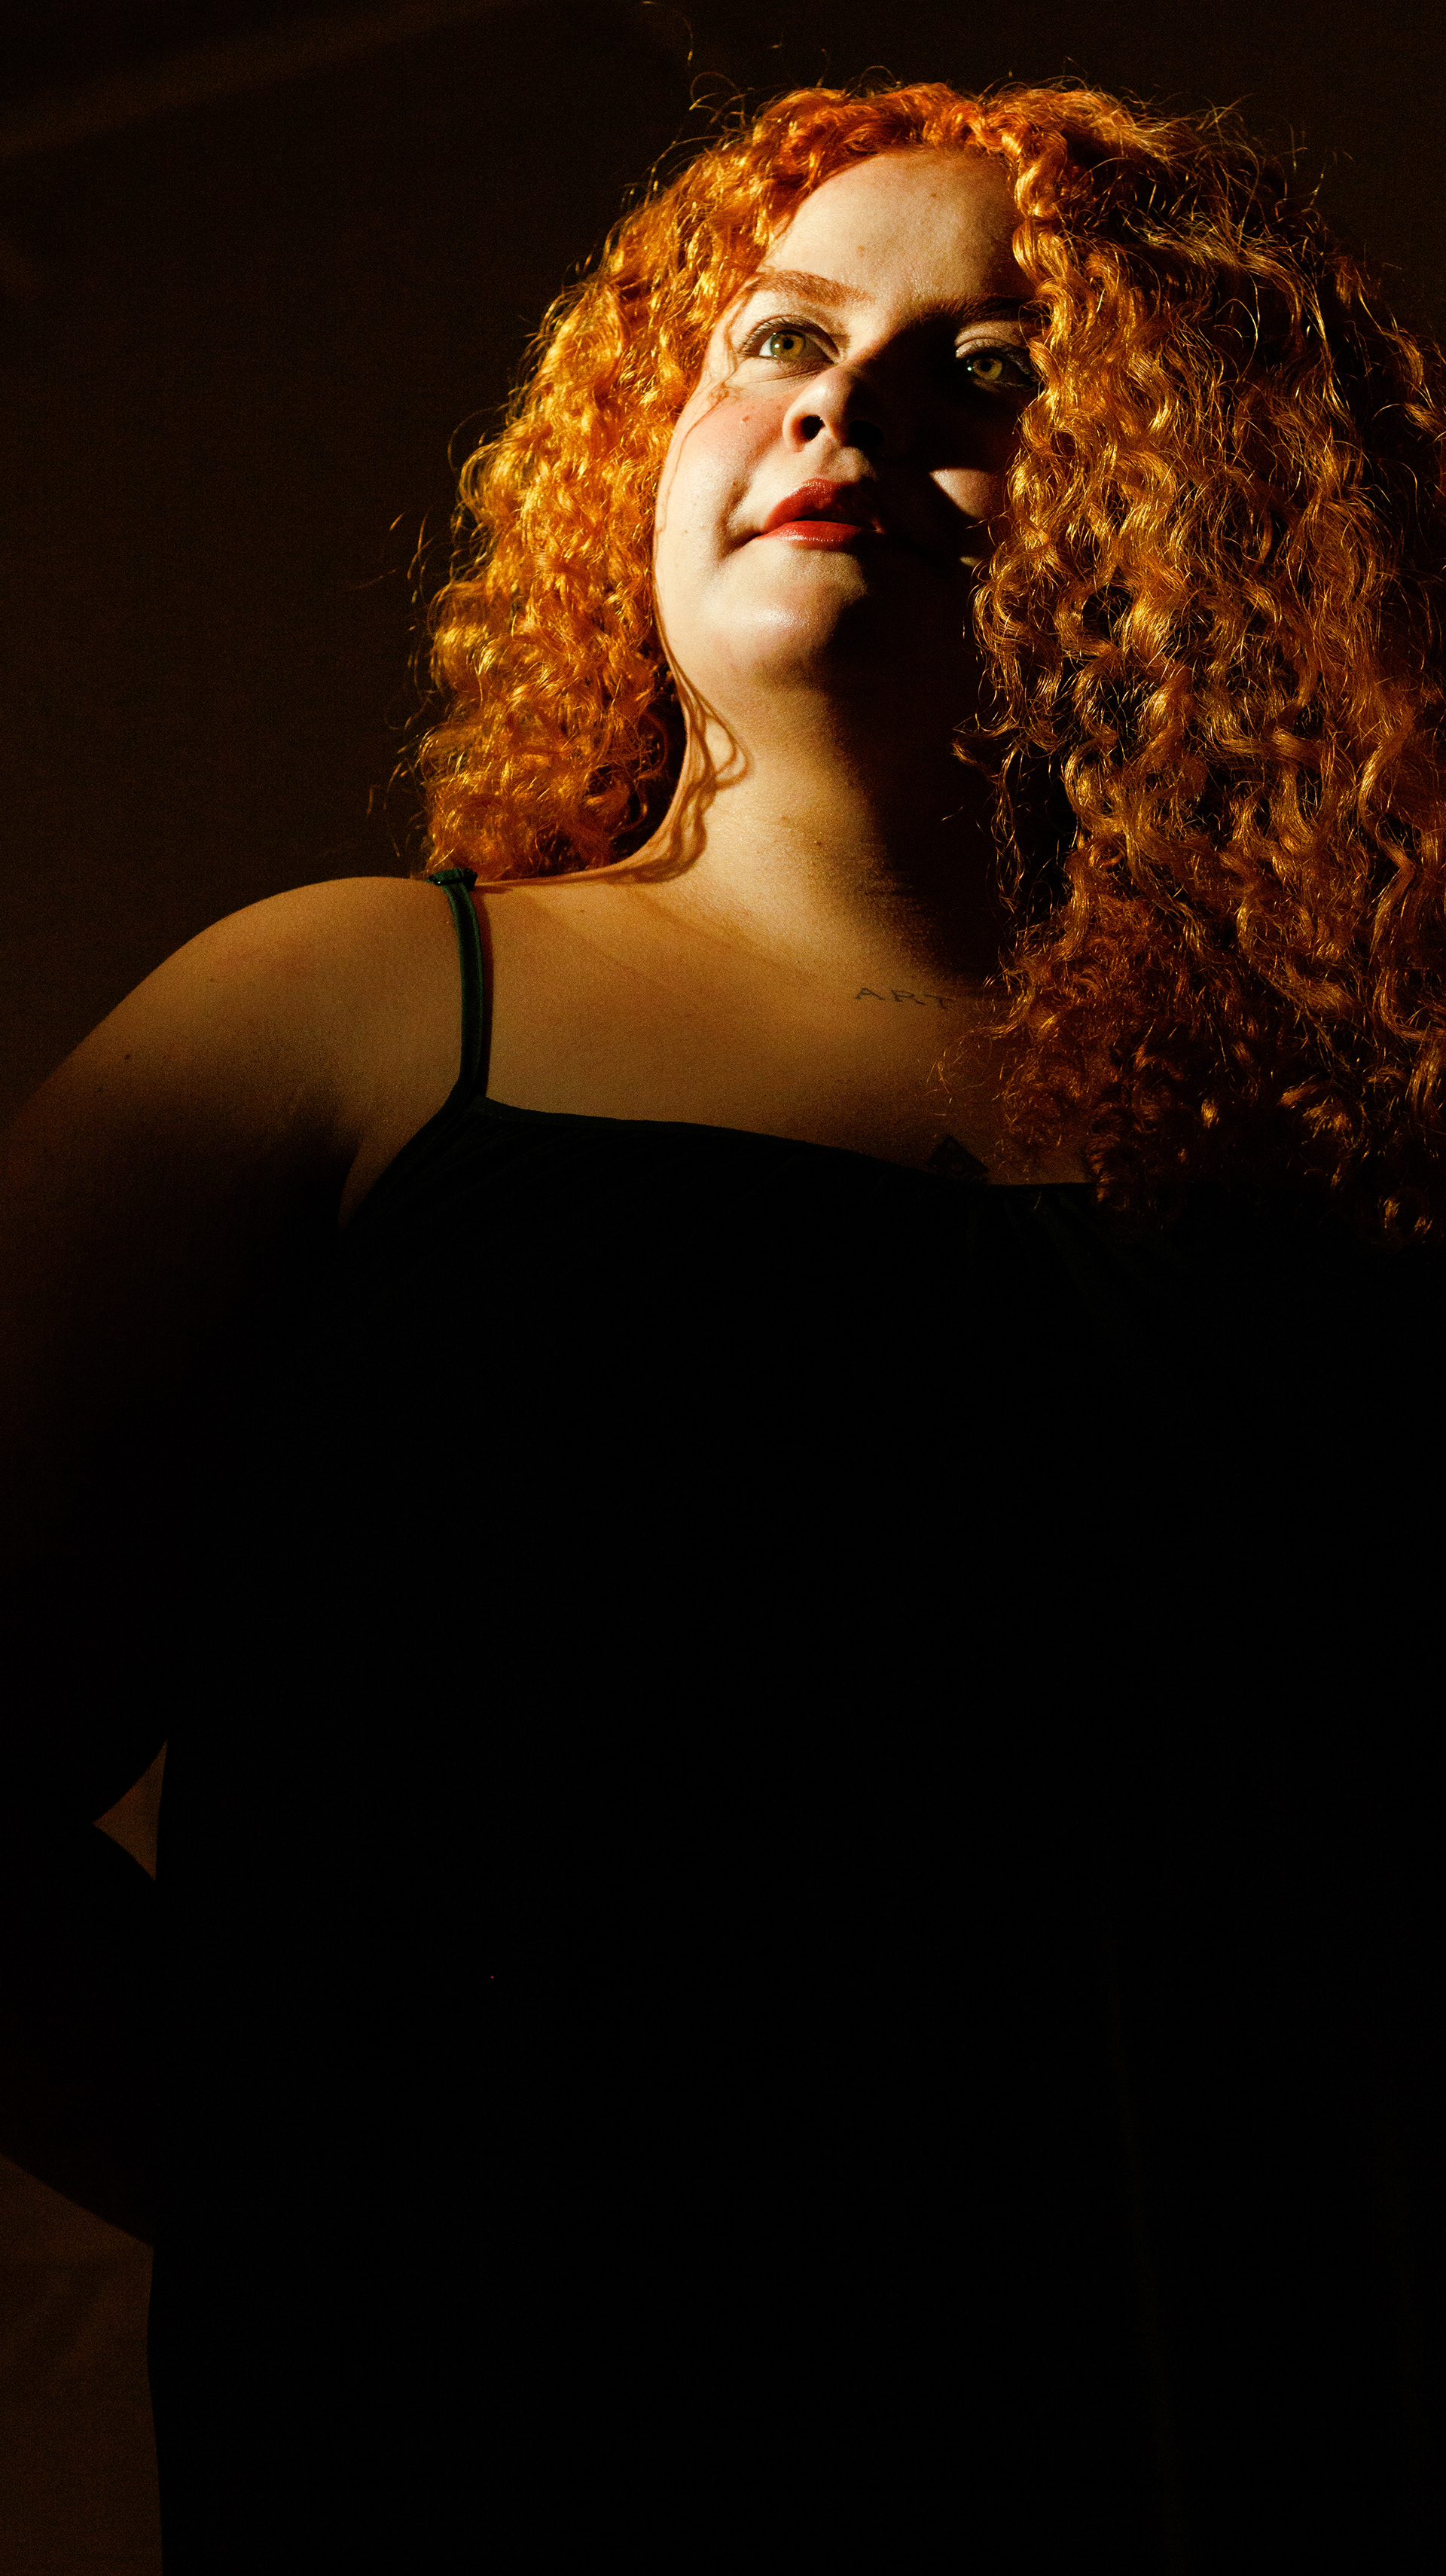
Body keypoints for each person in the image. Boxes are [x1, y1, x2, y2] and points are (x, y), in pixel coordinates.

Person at [2, 75, 1442, 2572]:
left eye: (994, 369)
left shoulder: (1345, 1160)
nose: (843, 408)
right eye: (780, 336)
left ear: (1202, 503)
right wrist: (365, 2220)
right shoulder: (341, 1015)